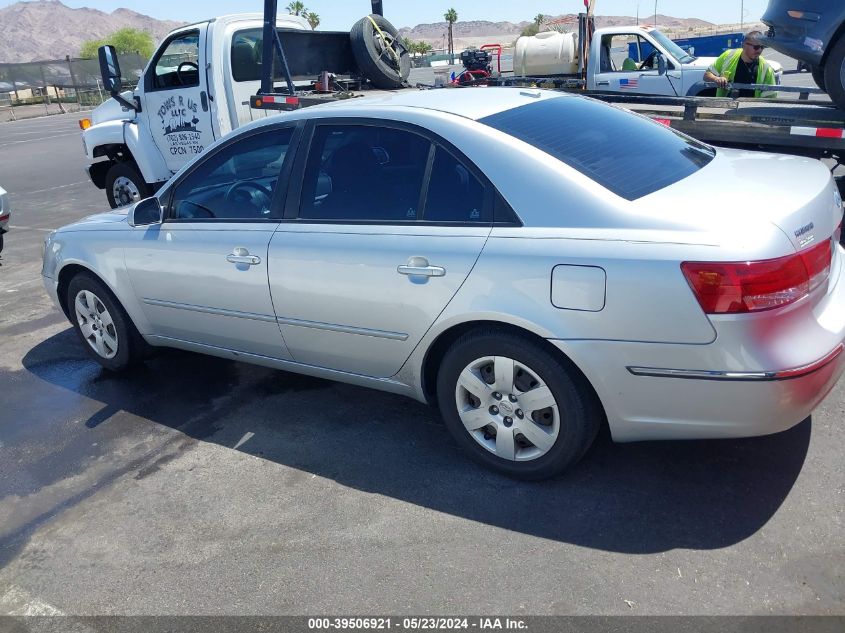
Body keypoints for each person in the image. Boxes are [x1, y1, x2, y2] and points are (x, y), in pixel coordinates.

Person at [703, 31, 777, 98]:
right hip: (726, 108)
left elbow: (771, 97)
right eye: (756, 47)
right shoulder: (728, 56)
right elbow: (707, 75)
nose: (759, 50)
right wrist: (716, 79)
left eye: (762, 47)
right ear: (744, 45)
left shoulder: (766, 68)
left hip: (750, 110)